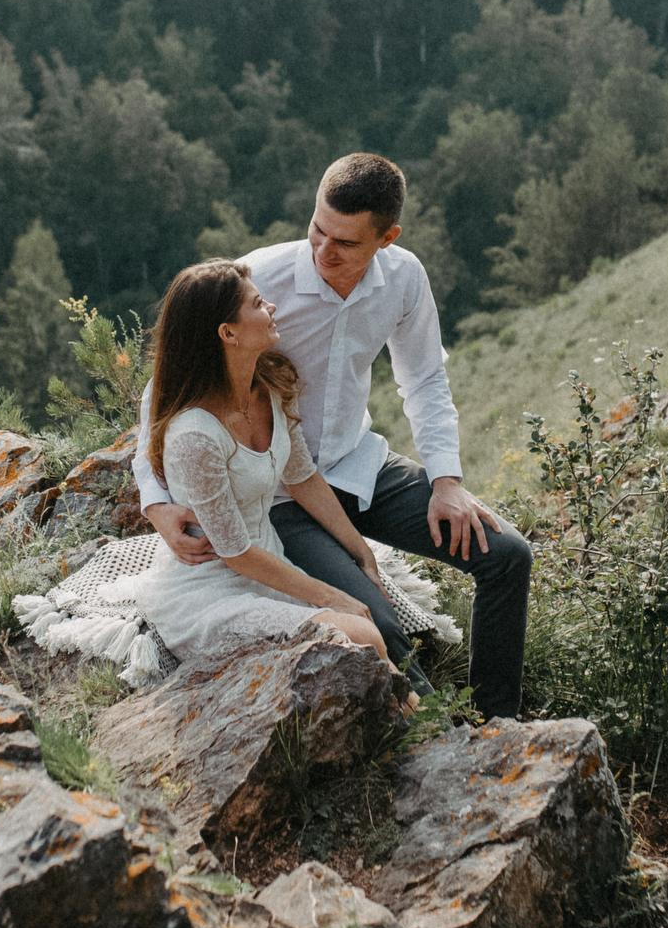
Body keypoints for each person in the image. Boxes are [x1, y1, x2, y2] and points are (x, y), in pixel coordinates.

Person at [135, 153, 531, 719]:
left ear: (387, 238)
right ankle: (442, 734)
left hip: (359, 464)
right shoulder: (258, 281)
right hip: (282, 495)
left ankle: (500, 724)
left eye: (345, 243)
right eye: (317, 229)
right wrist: (155, 502)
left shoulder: (404, 278)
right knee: (379, 626)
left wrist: (447, 481)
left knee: (508, 555)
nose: (323, 251)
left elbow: (424, 379)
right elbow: (164, 392)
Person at [113, 258, 395, 670]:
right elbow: (236, 553)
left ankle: (423, 710)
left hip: (272, 571)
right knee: (360, 634)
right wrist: (332, 596)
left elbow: (303, 478)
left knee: (371, 629)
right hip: (210, 595)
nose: (272, 308)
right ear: (228, 333)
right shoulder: (195, 435)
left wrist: (361, 551)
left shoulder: (269, 390)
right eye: (259, 304)